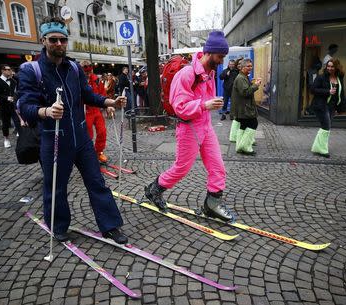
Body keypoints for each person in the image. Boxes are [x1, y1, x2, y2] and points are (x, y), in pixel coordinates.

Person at [17, 17, 128, 243]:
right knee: (56, 187)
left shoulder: (74, 68)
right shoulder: (32, 70)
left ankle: (110, 226)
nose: (59, 44)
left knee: (97, 182)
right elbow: (25, 106)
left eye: (63, 40)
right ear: (43, 40)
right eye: (54, 40)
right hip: (54, 139)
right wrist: (46, 111)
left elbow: (87, 95)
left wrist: (110, 102)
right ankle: (58, 227)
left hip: (81, 139)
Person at [144, 31, 234, 221]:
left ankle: (212, 203)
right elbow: (179, 107)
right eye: (220, 56)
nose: (221, 61)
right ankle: (154, 189)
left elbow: (205, 101)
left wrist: (210, 103)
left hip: (206, 126)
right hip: (188, 128)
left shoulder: (209, 73)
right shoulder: (187, 74)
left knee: (218, 166)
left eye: (223, 57)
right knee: (181, 168)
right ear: (209, 52)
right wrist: (204, 105)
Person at [310, 58, 346, 158]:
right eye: (328, 66)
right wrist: (327, 91)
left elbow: (341, 93)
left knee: (325, 126)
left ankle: (317, 147)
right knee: (326, 126)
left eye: (332, 66)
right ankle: (323, 150)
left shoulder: (339, 78)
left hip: (332, 106)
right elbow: (313, 90)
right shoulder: (321, 77)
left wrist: (339, 108)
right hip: (321, 105)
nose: (329, 68)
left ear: (336, 67)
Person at [80, 61, 110, 163]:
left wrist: (108, 106)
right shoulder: (78, 80)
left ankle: (99, 152)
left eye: (89, 72)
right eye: (86, 72)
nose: (88, 74)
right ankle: (88, 154)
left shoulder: (97, 80)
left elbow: (102, 94)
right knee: (88, 134)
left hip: (96, 110)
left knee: (102, 131)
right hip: (85, 111)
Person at [232, 58, 261, 155]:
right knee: (253, 123)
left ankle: (240, 146)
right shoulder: (240, 78)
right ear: (242, 67)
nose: (250, 68)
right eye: (248, 66)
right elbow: (245, 92)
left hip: (243, 107)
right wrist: (256, 85)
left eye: (251, 66)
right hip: (244, 108)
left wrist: (251, 83)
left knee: (244, 126)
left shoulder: (243, 76)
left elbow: (245, 89)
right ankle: (245, 147)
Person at [0, 64, 18, 148]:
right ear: (2, 71)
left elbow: (16, 92)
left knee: (18, 121)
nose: (10, 71)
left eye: (10, 69)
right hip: (3, 106)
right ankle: (6, 139)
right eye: (8, 69)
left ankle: (21, 138)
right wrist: (6, 98)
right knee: (5, 123)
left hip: (13, 106)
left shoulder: (13, 81)